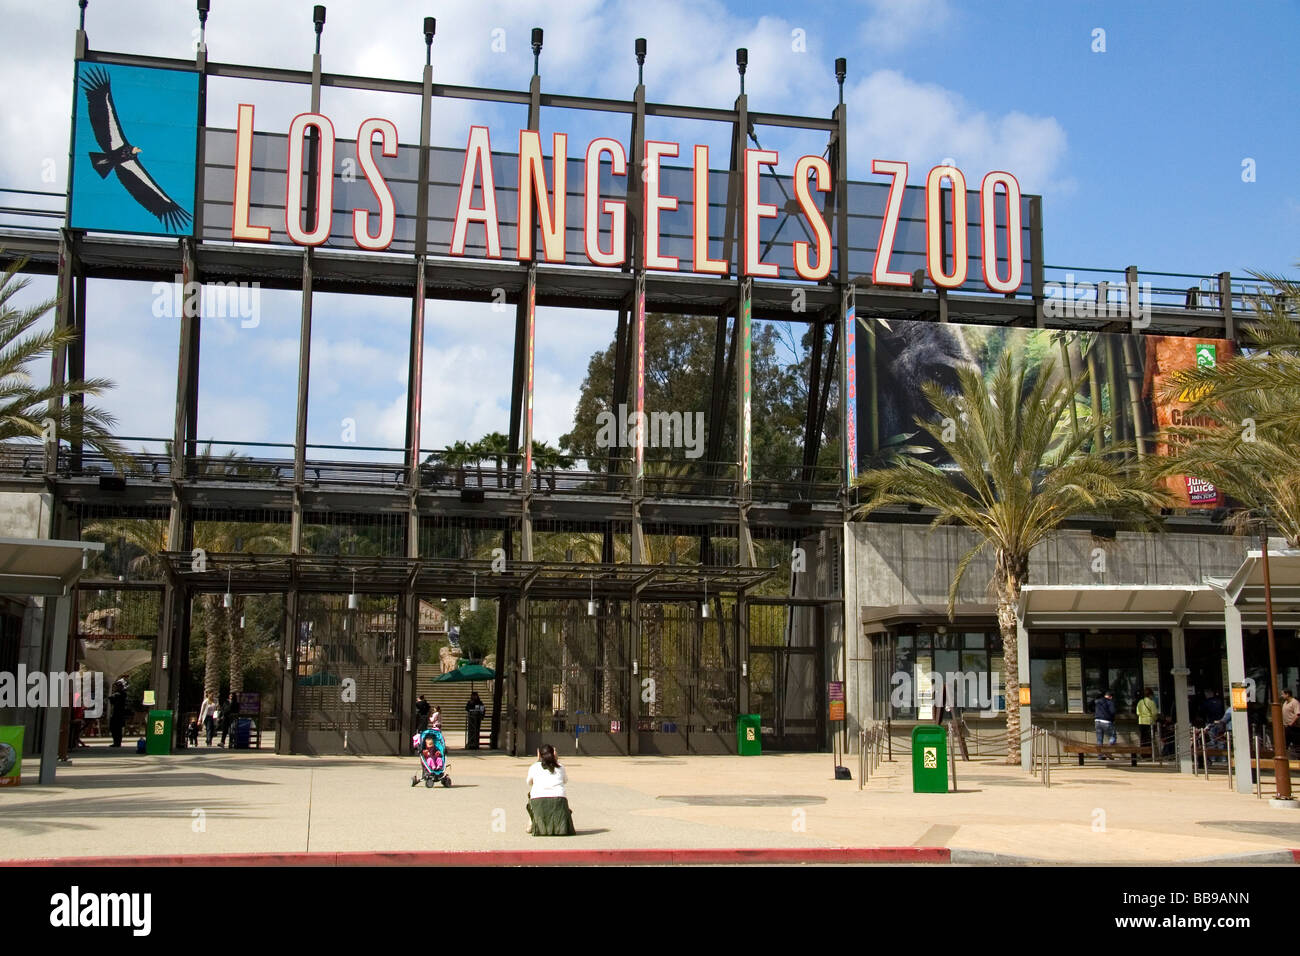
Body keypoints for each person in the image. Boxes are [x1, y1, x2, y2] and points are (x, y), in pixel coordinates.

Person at [526, 744, 574, 836]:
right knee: (559, 793)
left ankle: (531, 824)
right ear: (554, 754)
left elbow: (529, 782)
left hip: (538, 799)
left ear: (539, 755)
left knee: (531, 795)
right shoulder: (560, 766)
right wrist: (556, 760)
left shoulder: (534, 767)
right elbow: (565, 781)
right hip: (559, 799)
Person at [1094, 688, 1117, 758]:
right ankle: (1107, 751)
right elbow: (1113, 712)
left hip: (1097, 721)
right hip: (1106, 721)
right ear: (1110, 696)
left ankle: (1100, 755)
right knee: (1113, 736)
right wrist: (1113, 719)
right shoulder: (1110, 702)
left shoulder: (1098, 701)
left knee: (1099, 739)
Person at [108, 677, 128, 747]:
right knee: (113, 728)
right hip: (115, 713)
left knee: (118, 729)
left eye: (119, 686)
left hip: (120, 714)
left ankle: (117, 742)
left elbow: (118, 698)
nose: (117, 687)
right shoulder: (117, 694)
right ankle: (115, 741)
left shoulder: (122, 694)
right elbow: (112, 700)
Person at [1282, 689, 1300, 755]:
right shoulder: (1285, 703)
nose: (1282, 696)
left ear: (1287, 694)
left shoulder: (1295, 702)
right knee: (1285, 744)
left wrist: (1291, 724)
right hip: (1286, 727)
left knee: (1297, 744)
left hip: (1294, 727)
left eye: (1283, 694)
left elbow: (1297, 714)